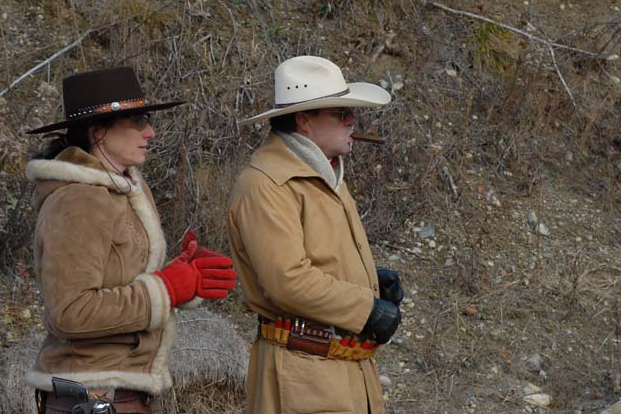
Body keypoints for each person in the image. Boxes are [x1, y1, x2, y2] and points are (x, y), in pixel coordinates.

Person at [24, 67, 237, 414]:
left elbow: (117, 282)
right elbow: (71, 311)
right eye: (138, 121)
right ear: (99, 132)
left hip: (118, 395)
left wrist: (179, 279)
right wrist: (164, 290)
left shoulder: (123, 189)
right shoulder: (78, 198)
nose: (150, 132)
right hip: (92, 398)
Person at [227, 55, 405, 414]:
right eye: (341, 113)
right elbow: (288, 280)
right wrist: (366, 308)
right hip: (301, 378)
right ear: (304, 121)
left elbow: (321, 258)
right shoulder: (267, 185)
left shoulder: (322, 175)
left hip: (340, 372)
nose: (353, 120)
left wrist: (369, 280)